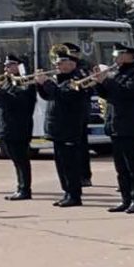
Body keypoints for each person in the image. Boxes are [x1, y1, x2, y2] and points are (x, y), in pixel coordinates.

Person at [90, 43, 134, 213]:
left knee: (133, 165)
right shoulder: (117, 73)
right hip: (115, 123)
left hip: (130, 125)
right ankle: (125, 199)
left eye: (118, 54)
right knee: (120, 167)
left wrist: (107, 80)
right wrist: (99, 82)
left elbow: (128, 92)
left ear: (128, 55)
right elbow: (107, 94)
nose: (115, 57)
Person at [35, 48, 91, 207]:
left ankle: (74, 194)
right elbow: (48, 96)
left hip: (69, 127)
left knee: (70, 163)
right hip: (57, 127)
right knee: (61, 163)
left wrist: (46, 82)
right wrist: (40, 85)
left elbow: (64, 95)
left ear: (71, 63)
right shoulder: (60, 78)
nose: (57, 65)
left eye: (60, 63)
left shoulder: (77, 78)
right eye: (56, 62)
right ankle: (67, 192)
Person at [0, 55, 37, 200]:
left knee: (21, 160)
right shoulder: (8, 82)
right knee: (16, 160)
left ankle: (24, 189)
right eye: (6, 65)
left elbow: (18, 102)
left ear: (19, 66)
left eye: (10, 65)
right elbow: (2, 103)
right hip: (7, 126)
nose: (6, 68)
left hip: (19, 127)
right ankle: (20, 187)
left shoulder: (25, 81)